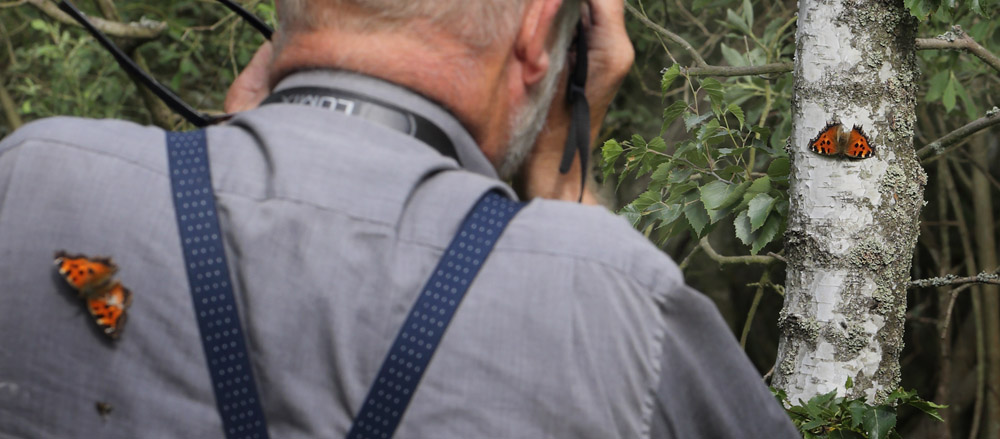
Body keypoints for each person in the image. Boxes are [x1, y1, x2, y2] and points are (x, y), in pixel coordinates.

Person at [0, 0, 798, 437]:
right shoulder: (612, 304)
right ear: (536, 34)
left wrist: (245, 155)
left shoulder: (32, 182)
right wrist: (567, 199)